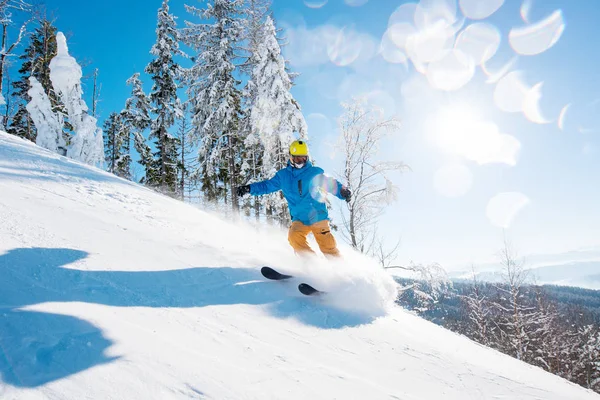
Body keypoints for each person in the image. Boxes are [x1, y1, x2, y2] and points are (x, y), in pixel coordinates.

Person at [236, 140, 351, 258]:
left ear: (307, 158)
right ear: (291, 158)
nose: (300, 162)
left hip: (318, 216)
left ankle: (339, 267)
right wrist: (249, 189)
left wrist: (343, 191)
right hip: (299, 218)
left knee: (326, 244)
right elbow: (267, 186)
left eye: (303, 159)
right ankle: (311, 264)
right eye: (297, 159)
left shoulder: (313, 173)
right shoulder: (283, 176)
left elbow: (331, 184)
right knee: (294, 236)